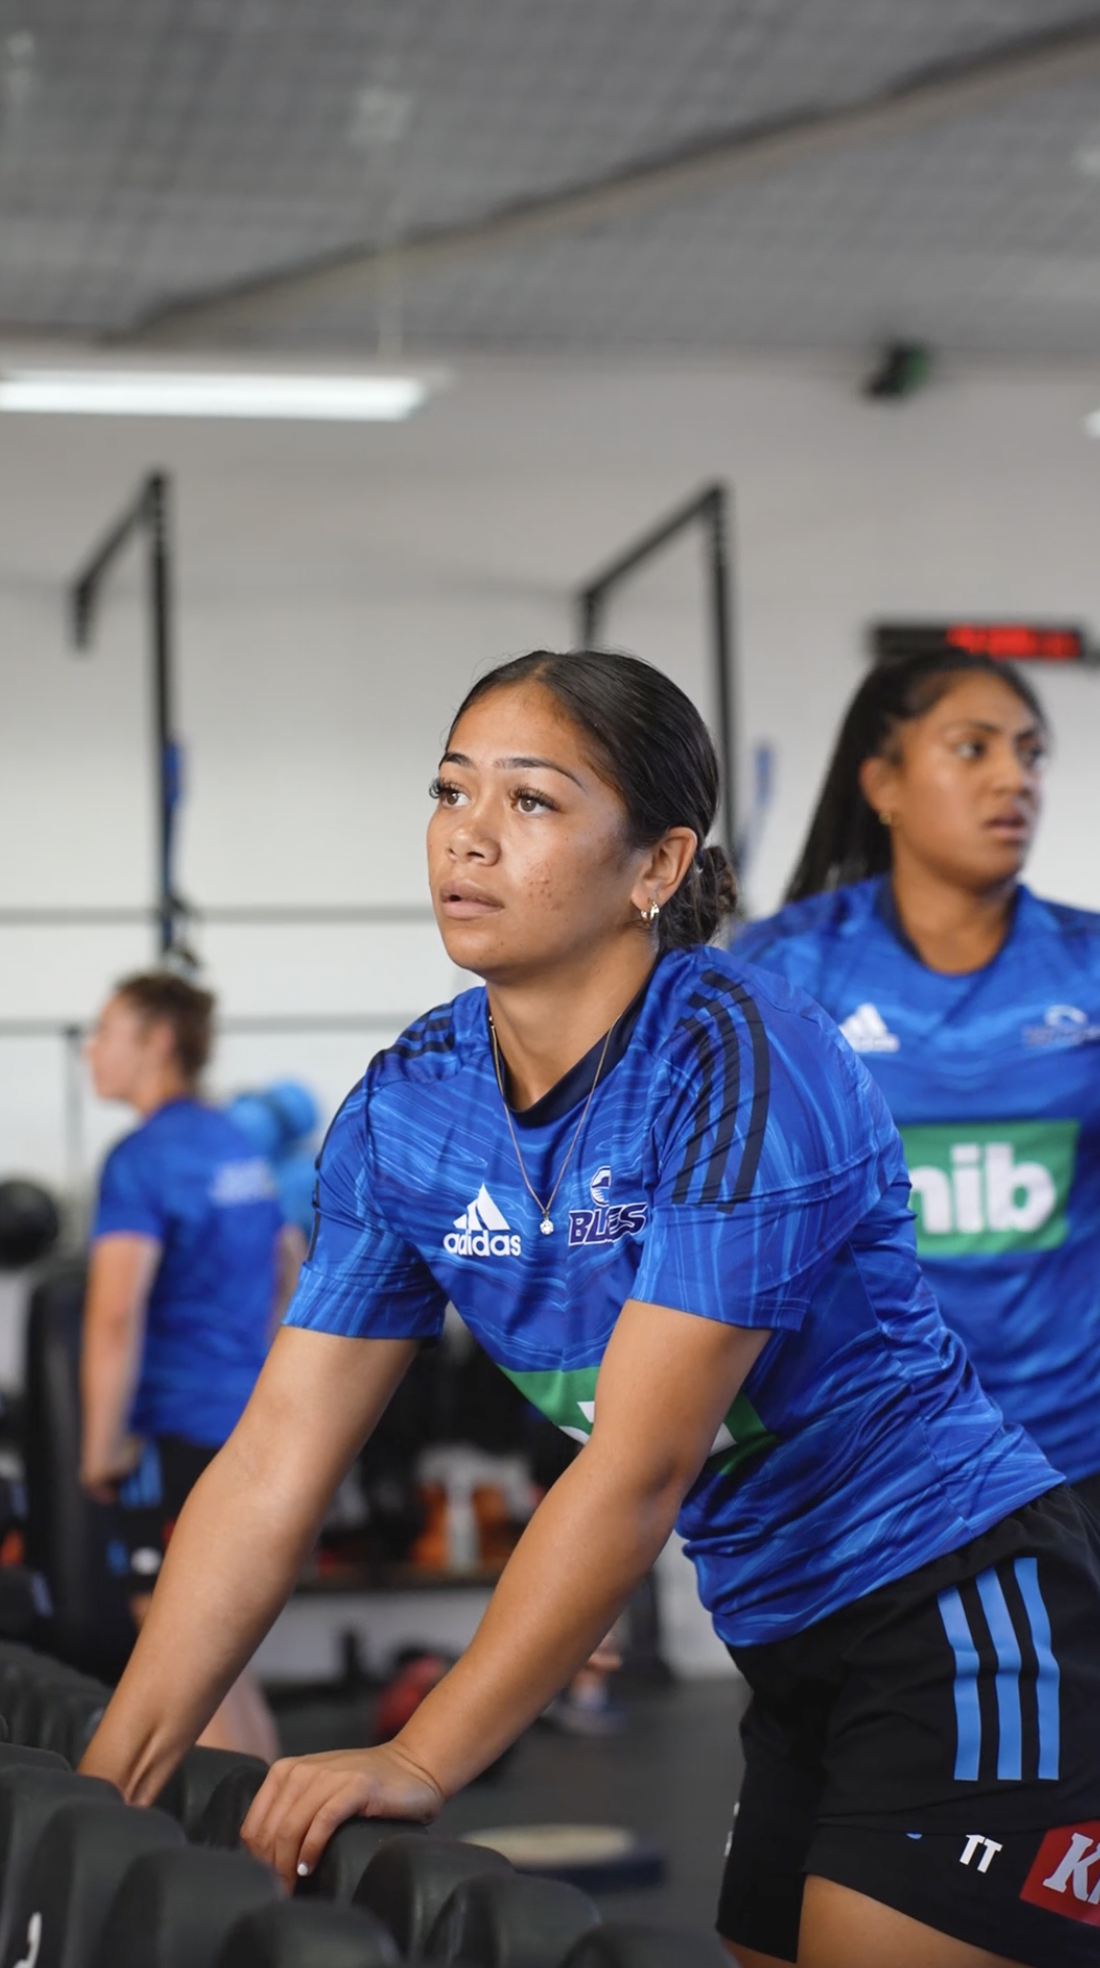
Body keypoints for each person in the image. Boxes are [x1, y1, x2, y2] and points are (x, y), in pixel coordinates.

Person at [78, 651, 1100, 1968]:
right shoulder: (409, 1107)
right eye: (450, 791)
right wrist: (102, 1804)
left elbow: (638, 1468)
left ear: (656, 866)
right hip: (782, 1638)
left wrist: (420, 1753)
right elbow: (277, 1459)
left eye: (531, 801)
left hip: (957, 1610)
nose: (468, 833)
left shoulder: (743, 1057)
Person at [736, 649, 1100, 1514]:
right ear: (884, 784)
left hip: (1077, 1455)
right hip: (875, 1463)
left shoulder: (1087, 965)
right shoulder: (784, 971)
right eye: (974, 748)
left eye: (1031, 753)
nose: (1015, 778)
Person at [81, 970, 295, 1759]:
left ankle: (247, 1837)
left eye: (107, 1032)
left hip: (168, 1435)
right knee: (220, 1662)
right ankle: (277, 1830)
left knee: (178, 1663)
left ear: (158, 1042)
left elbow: (114, 1312)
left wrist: (101, 1446)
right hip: (242, 1428)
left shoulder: (139, 1159)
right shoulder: (236, 1144)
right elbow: (288, 1264)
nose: (90, 1051)